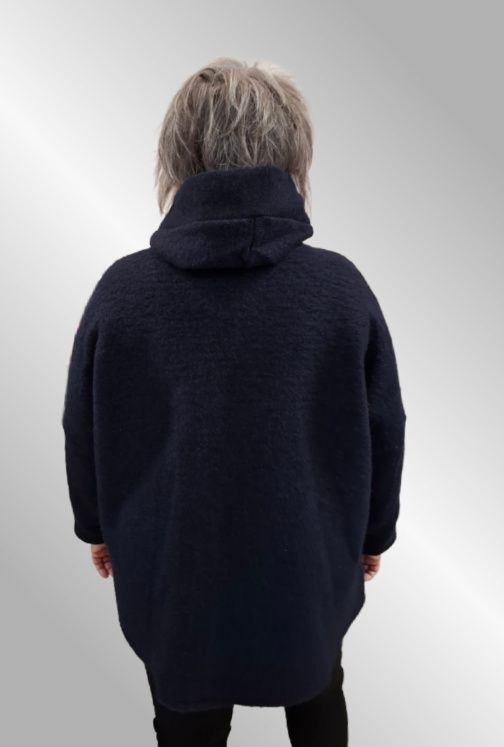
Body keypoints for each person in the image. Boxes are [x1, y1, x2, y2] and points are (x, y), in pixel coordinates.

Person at [62, 57, 407, 747]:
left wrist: (95, 524)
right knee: (318, 689)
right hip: (308, 568)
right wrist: (374, 534)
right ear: (292, 150)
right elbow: (383, 422)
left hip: (174, 574)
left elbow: (83, 421)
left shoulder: (122, 293)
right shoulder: (339, 289)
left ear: (176, 154)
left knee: (185, 709)